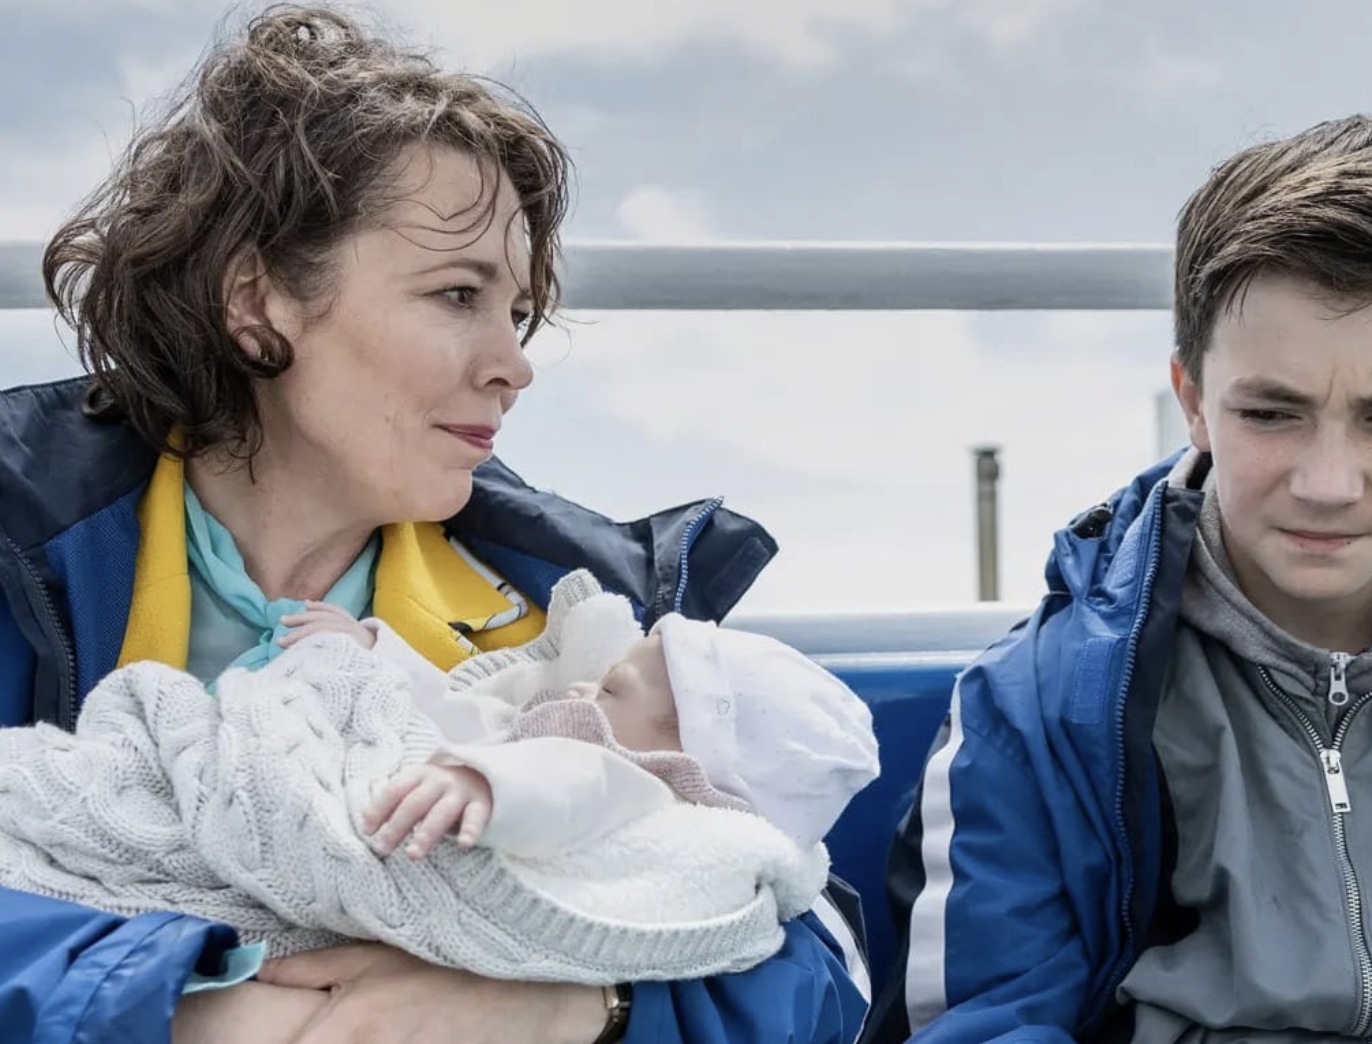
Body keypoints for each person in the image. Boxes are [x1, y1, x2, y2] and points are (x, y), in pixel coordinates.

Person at [0, 5, 868, 1043]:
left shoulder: (580, 617)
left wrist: (573, 1008)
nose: (515, 365)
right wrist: (193, 1010)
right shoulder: (22, 544)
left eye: (518, 314)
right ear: (256, 301)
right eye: (458, 294)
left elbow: (817, 958)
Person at [867, 115, 1372, 1044]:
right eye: (1271, 412)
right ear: (1194, 401)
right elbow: (984, 1019)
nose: (1328, 484)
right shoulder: (1035, 708)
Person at [291, 567, 881, 864]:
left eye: (611, 688)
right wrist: (379, 655)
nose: (579, 688)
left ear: (682, 756)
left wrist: (486, 781)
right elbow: (468, 715)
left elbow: (578, 782)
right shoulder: (552, 734)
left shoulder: (645, 797)